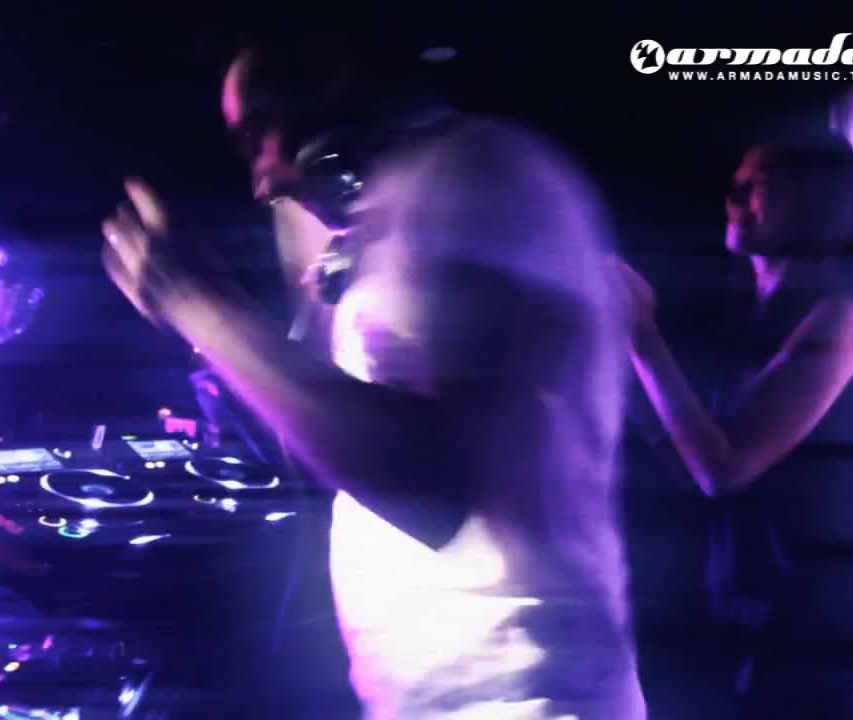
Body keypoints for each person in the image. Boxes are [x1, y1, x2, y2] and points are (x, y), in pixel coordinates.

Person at [101, 37, 646, 719]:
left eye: (257, 139)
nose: (263, 184)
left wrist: (197, 303)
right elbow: (331, 457)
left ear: (332, 83)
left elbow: (433, 482)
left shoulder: (479, 174)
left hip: (531, 699)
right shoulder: (398, 215)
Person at [610, 133, 853, 718]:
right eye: (735, 184)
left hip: (806, 632)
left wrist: (642, 335)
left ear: (814, 198)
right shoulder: (748, 323)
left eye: (756, 185)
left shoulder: (835, 318)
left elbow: (724, 468)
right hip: (740, 619)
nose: (732, 199)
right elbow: (690, 465)